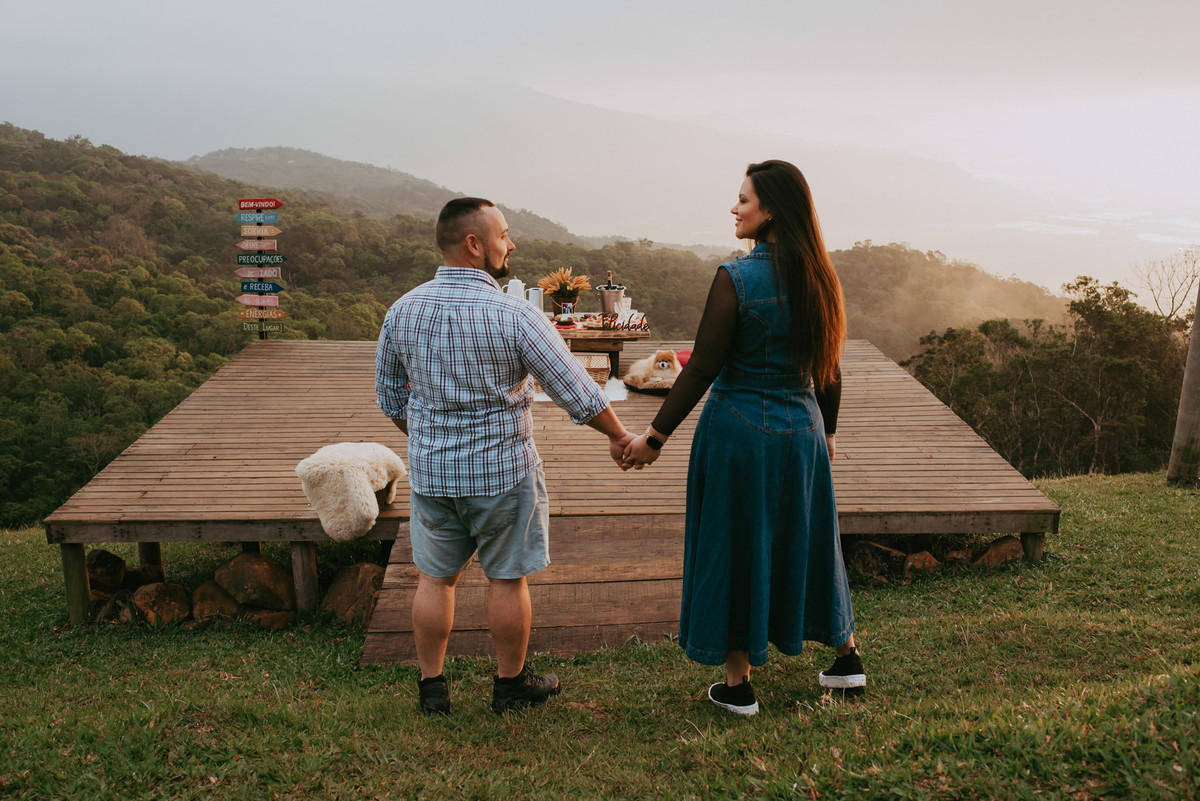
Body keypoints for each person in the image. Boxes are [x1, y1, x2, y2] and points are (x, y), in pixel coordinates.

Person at [376, 197, 636, 715]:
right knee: (506, 578)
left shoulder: (403, 310)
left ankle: (432, 690)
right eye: (503, 235)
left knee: (435, 578)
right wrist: (619, 436)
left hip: (433, 476)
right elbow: (576, 390)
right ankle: (510, 686)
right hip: (503, 475)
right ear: (475, 244)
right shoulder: (513, 313)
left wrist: (427, 437)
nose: (510, 243)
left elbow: (389, 397)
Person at [623, 160, 865, 715]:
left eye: (743, 200)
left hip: (738, 433)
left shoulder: (736, 279)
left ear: (771, 209)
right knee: (811, 540)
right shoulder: (821, 277)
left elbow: (702, 368)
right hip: (802, 429)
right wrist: (825, 431)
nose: (734, 209)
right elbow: (829, 365)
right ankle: (847, 658)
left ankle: (738, 687)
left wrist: (652, 440)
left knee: (736, 544)